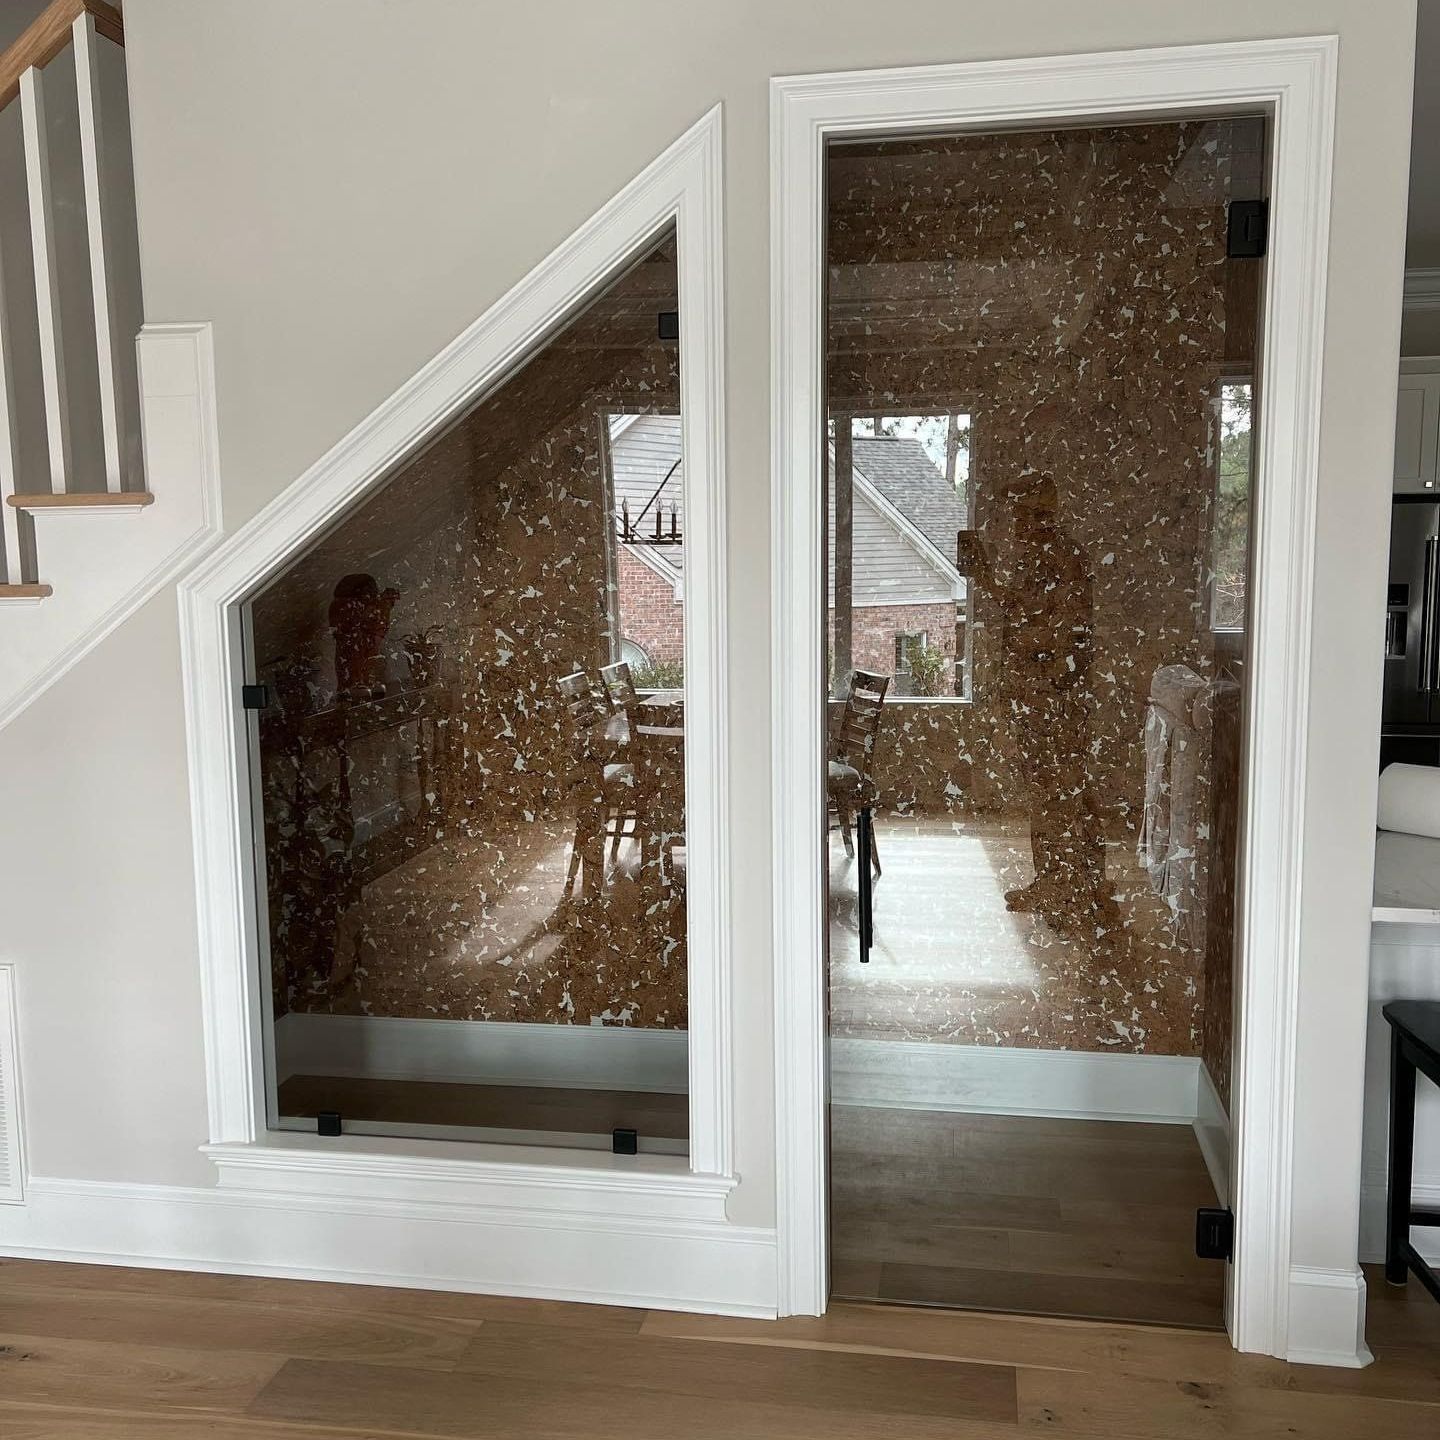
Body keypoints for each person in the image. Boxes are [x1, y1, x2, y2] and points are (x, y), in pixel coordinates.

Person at [956, 472, 1113, 931]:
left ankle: (1074, 890)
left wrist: (986, 580)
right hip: (1047, 697)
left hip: (1052, 699)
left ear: (1034, 513)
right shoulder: (1047, 557)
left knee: (1058, 796)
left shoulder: (1055, 558)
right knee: (1056, 795)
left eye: (1018, 513)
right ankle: (1066, 885)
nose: (1013, 523)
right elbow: (1025, 611)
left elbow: (1045, 630)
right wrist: (986, 580)